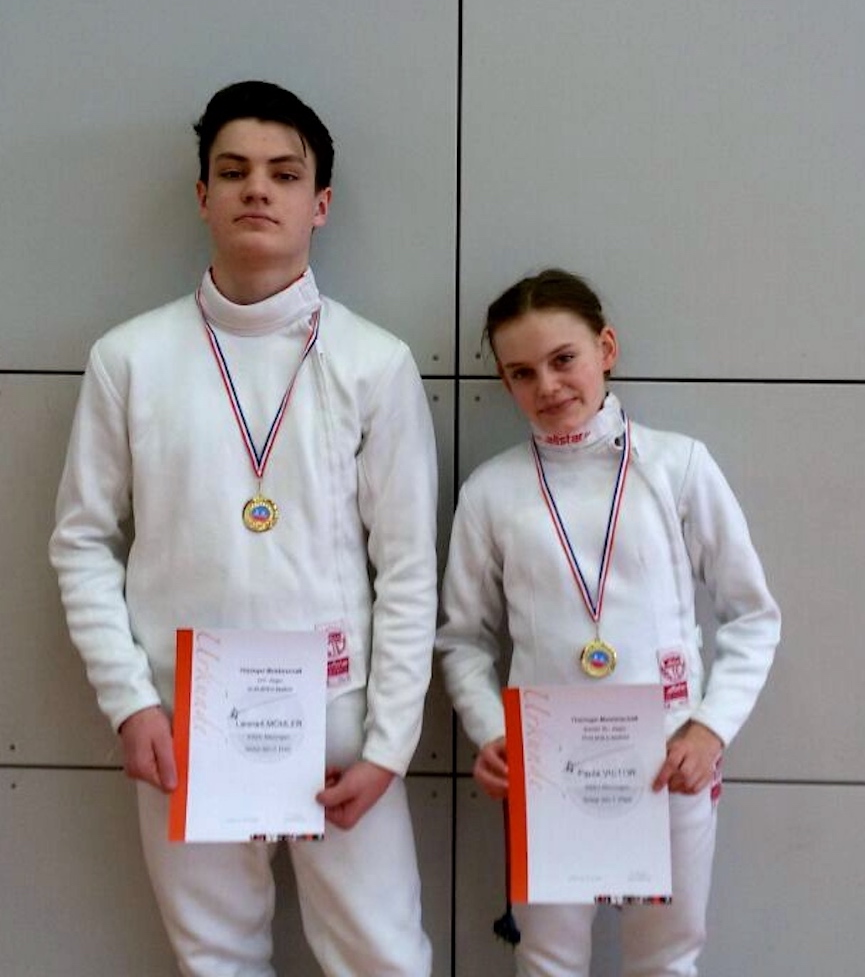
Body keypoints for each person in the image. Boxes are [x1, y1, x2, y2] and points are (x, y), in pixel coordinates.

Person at [50, 80, 437, 977]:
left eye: (283, 174)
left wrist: (388, 745)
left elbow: (409, 567)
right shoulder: (129, 359)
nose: (257, 189)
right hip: (183, 727)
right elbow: (80, 542)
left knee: (382, 961)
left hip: (341, 727)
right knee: (213, 961)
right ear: (203, 196)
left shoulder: (374, 364)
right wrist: (129, 702)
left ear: (319, 203)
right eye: (233, 172)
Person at [436, 268, 780, 977]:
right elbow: (463, 638)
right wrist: (493, 733)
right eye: (522, 372)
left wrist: (710, 729)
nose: (548, 386)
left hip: (670, 762)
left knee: (667, 960)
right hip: (547, 769)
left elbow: (752, 615)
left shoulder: (677, 466)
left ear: (606, 349)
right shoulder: (491, 491)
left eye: (564, 359)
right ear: (505, 382)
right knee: (547, 960)